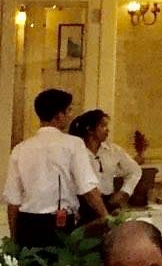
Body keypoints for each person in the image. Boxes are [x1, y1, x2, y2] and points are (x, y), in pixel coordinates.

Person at [4, 90, 107, 249]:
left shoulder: (20, 149)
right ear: (59, 115)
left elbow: (13, 201)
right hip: (60, 225)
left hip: (28, 225)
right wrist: (106, 218)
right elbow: (88, 189)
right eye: (69, 110)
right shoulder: (73, 144)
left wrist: (14, 238)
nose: (71, 115)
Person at [67, 111, 143, 212]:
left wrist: (125, 191)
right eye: (103, 126)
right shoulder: (76, 151)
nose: (107, 130)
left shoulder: (113, 150)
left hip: (109, 202)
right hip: (83, 205)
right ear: (90, 129)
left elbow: (135, 170)